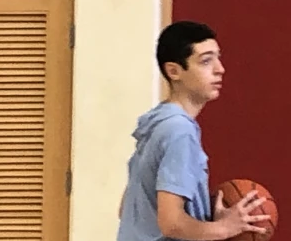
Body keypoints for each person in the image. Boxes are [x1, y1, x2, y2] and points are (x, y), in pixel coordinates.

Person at [116, 21, 271, 241]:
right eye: (206, 61)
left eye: (218, 57)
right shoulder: (179, 131)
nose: (220, 68)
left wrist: (207, 220)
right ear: (174, 71)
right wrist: (226, 228)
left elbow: (127, 210)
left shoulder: (156, 124)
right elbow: (172, 224)